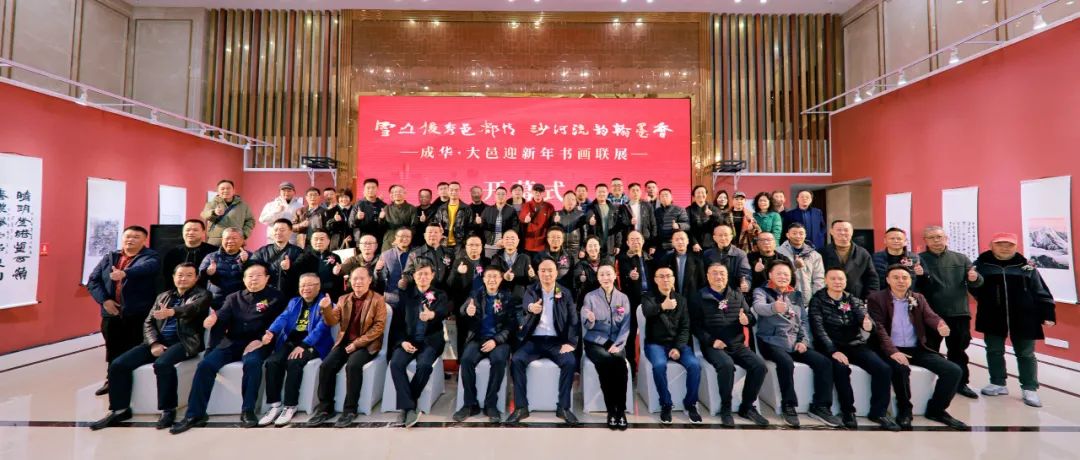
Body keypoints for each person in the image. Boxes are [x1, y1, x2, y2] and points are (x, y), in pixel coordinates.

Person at [90, 263, 210, 431]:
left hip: (185, 342)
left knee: (162, 364)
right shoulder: (163, 296)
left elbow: (192, 308)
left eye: (189, 275)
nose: (183, 278)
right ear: (173, 277)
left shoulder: (203, 295)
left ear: (196, 278)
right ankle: (120, 409)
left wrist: (172, 312)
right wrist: (154, 343)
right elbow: (148, 322)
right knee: (118, 364)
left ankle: (168, 410)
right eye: (180, 275)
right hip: (157, 341)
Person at [171, 262, 285, 434]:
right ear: (244, 279)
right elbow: (222, 316)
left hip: (258, 342)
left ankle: (248, 411)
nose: (253, 279)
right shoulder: (234, 297)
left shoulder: (276, 297)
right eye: (250, 276)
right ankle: (194, 414)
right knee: (205, 365)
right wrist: (213, 320)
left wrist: (264, 339)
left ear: (267, 278)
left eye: (258, 276)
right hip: (232, 342)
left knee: (252, 364)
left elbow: (280, 322)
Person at [867, 265, 967, 430]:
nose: (901, 281)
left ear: (910, 280)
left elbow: (930, 316)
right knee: (901, 369)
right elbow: (879, 329)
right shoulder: (876, 298)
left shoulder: (918, 298)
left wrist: (940, 324)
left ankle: (937, 410)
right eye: (896, 277)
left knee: (953, 370)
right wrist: (893, 352)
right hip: (889, 348)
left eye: (904, 278)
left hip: (916, 348)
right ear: (887, 280)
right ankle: (905, 410)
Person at [752, 260, 841, 428]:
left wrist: (803, 341)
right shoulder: (761, 291)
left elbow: (804, 321)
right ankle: (789, 405)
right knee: (786, 363)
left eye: (786, 274)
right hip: (770, 340)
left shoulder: (796, 295)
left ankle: (821, 406)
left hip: (794, 341)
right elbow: (758, 307)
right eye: (779, 273)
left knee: (824, 363)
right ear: (770, 275)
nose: (783, 277)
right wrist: (773, 307)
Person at [971, 232, 1056, 407]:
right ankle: (998, 383)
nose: (1005, 248)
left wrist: (1048, 314)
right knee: (994, 351)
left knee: (1026, 354)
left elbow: (1040, 291)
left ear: (1016, 247)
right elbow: (974, 289)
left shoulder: (1026, 267)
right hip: (992, 315)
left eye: (1009, 245)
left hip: (1025, 317)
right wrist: (983, 294)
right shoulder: (981, 266)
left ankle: (1029, 388)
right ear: (991, 245)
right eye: (1000, 244)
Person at [808, 267, 899, 431]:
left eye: (841, 279)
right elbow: (818, 329)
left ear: (846, 281)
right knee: (841, 369)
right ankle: (848, 411)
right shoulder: (818, 300)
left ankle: (879, 412)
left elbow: (866, 319)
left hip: (854, 344)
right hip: (830, 345)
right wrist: (833, 350)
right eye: (833, 279)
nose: (837, 282)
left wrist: (868, 325)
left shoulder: (852, 300)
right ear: (826, 281)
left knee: (883, 369)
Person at [689, 263, 769, 427]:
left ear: (727, 277)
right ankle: (726, 408)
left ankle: (747, 407)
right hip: (713, 346)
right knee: (726, 365)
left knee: (760, 366)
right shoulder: (699, 297)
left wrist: (747, 320)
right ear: (708, 276)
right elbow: (695, 326)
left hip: (736, 344)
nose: (719, 277)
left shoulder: (737, 295)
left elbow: (750, 318)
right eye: (715, 273)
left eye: (722, 273)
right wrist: (712, 341)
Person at [307, 266, 387, 427]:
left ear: (370, 280)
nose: (358, 282)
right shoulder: (344, 299)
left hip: (367, 344)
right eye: (355, 278)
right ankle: (325, 408)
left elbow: (378, 327)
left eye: (362, 278)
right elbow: (332, 321)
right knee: (326, 366)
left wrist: (357, 344)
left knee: (353, 366)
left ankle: (350, 409)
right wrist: (326, 308)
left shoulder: (378, 300)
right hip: (344, 342)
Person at [87, 225, 162, 396]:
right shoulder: (110, 257)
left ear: (144, 240)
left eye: (136, 237)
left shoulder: (150, 257)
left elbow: (147, 268)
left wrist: (125, 273)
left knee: (134, 348)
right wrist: (105, 301)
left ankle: (135, 384)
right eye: (128, 236)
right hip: (111, 313)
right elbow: (93, 281)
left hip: (137, 314)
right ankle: (112, 381)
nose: (131, 240)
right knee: (113, 349)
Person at [507, 259, 580, 425]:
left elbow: (573, 320)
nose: (547, 274)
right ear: (538, 273)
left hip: (556, 341)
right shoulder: (531, 290)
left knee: (569, 362)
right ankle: (521, 407)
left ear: (556, 272)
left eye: (550, 270)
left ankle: (564, 408)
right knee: (517, 360)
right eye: (543, 270)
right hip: (534, 340)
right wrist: (531, 308)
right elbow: (527, 304)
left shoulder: (565, 293)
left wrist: (571, 343)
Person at [257, 273, 334, 427]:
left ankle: (290, 405)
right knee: (272, 362)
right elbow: (283, 318)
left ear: (318, 286)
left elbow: (322, 328)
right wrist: (271, 332)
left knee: (294, 362)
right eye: (302, 285)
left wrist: (304, 345)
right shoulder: (294, 302)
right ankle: (275, 405)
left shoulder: (324, 303)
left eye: (310, 285)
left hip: (313, 344)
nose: (305, 288)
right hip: (291, 342)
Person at [918, 226, 983, 400]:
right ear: (925, 240)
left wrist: (975, 278)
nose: (936, 240)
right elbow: (915, 285)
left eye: (939, 237)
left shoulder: (961, 259)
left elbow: (977, 282)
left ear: (946, 238)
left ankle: (960, 383)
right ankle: (927, 383)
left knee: (958, 350)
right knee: (930, 350)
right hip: (930, 314)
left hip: (958, 313)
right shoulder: (919, 260)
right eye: (931, 237)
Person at [453, 265, 519, 423]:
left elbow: (511, 325)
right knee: (466, 360)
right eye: (489, 276)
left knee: (498, 361)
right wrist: (467, 311)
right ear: (483, 279)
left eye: (495, 276)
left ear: (501, 279)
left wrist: (495, 340)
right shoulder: (476, 294)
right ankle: (470, 404)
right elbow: (463, 309)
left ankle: (491, 404)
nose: (492, 280)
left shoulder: (508, 297)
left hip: (499, 341)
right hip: (478, 338)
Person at [390, 261, 449, 427]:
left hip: (430, 341)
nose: (423, 277)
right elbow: (397, 324)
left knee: (424, 366)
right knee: (396, 364)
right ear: (414, 276)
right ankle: (409, 407)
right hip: (409, 340)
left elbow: (444, 311)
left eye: (426, 274)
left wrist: (433, 315)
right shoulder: (405, 295)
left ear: (432, 276)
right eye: (419, 274)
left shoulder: (439, 295)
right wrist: (402, 342)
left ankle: (407, 405)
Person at [641, 267, 703, 424]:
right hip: (655, 344)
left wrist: (677, 347)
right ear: (655, 280)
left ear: (674, 279)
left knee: (695, 365)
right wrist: (663, 306)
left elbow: (685, 327)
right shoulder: (649, 297)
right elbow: (647, 311)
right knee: (659, 366)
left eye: (668, 276)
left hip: (677, 344)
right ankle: (666, 404)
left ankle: (690, 404)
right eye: (661, 276)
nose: (665, 279)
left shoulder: (681, 300)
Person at [581, 265, 632, 430]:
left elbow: (626, 325)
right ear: (598, 278)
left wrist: (618, 344)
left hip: (616, 342)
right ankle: (611, 410)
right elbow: (586, 322)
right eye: (601, 274)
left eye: (608, 274)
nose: (605, 277)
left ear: (615, 275)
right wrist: (589, 319)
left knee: (620, 364)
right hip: (595, 342)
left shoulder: (623, 298)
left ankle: (620, 411)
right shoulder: (590, 297)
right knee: (605, 363)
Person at [615, 230, 650, 371]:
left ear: (643, 241)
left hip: (650, 299)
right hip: (632, 299)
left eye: (638, 239)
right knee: (631, 332)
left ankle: (648, 363)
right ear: (627, 243)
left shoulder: (649, 258)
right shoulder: (623, 258)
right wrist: (630, 275)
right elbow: (624, 273)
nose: (636, 242)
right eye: (632, 240)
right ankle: (632, 366)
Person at [821, 220, 879, 299]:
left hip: (857, 298)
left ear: (852, 232)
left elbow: (872, 278)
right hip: (829, 298)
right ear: (831, 231)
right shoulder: (822, 253)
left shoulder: (862, 253)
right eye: (839, 230)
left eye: (846, 230)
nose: (842, 233)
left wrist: (871, 298)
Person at [198, 227, 250, 310]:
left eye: (234, 238)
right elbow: (199, 276)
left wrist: (245, 263)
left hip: (241, 302)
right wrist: (208, 272)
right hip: (216, 302)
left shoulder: (250, 256)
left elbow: (255, 276)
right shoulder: (211, 257)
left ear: (242, 240)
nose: (230, 241)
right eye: (227, 238)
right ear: (222, 240)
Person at [252, 219, 307, 298]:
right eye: (276, 230)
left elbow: (303, 275)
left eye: (282, 230)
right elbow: (251, 267)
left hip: (290, 296)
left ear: (290, 232)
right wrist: (244, 261)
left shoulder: (298, 252)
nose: (278, 232)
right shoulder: (262, 251)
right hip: (267, 295)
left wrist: (289, 269)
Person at [160, 219, 216, 289]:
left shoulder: (213, 252)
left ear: (203, 232)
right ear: (182, 232)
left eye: (195, 230)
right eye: (188, 230)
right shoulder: (173, 253)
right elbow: (167, 277)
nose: (191, 233)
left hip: (206, 291)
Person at [777, 223, 825, 302]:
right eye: (794, 233)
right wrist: (794, 266)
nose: (798, 236)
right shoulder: (778, 252)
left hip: (808, 298)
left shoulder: (815, 255)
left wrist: (817, 299)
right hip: (785, 299)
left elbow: (819, 279)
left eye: (801, 233)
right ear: (787, 235)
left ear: (805, 235)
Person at [201, 179, 255, 246]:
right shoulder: (211, 204)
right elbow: (204, 214)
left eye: (228, 188)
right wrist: (214, 212)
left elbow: (250, 221)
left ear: (233, 190)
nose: (226, 191)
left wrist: (244, 234)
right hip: (216, 240)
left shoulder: (243, 205)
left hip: (235, 239)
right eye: (222, 189)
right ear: (218, 191)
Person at [401, 224, 452, 291]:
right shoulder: (415, 253)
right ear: (424, 236)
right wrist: (405, 281)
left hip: (445, 292)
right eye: (430, 232)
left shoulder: (449, 253)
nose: (433, 235)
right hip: (423, 292)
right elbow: (408, 274)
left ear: (441, 236)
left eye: (436, 232)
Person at [703, 223, 752, 293]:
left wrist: (745, 283)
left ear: (731, 237)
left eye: (726, 235)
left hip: (733, 292)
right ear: (714, 238)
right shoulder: (707, 254)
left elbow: (745, 273)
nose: (723, 238)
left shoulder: (740, 254)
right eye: (720, 235)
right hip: (712, 291)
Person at [297, 229, 344, 300]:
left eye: (322, 239)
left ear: (328, 241)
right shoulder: (303, 257)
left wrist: (338, 273)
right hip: (311, 294)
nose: (319, 242)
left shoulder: (335, 257)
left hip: (331, 294)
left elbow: (340, 280)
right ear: (311, 241)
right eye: (316, 239)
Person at [655, 231, 704, 297]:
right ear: (672, 242)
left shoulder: (697, 259)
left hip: (693, 298)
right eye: (677, 239)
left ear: (687, 241)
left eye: (682, 239)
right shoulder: (666, 259)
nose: (680, 242)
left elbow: (702, 281)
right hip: (673, 298)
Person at [490, 230, 535, 299]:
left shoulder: (525, 257)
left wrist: (532, 276)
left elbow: (531, 282)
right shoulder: (496, 257)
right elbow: (492, 276)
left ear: (518, 241)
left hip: (520, 299)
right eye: (507, 239)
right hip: (500, 298)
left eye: (513, 239)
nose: (510, 241)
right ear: (502, 241)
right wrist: (504, 276)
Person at [432, 181, 475, 251]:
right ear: (448, 191)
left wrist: (466, 242)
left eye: (456, 190)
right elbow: (436, 224)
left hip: (460, 245)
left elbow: (471, 228)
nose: (454, 192)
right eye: (451, 190)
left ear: (460, 192)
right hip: (444, 243)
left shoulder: (466, 208)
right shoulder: (441, 208)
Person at [618, 182, 657, 256]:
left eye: (637, 190)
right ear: (629, 193)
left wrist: (653, 244)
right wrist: (629, 222)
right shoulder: (623, 207)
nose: (635, 193)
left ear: (641, 192)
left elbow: (653, 225)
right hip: (629, 242)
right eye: (633, 190)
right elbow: (620, 224)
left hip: (645, 241)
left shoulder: (647, 206)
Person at [480, 186, 520, 258]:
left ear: (506, 196)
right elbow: (483, 227)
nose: (500, 196)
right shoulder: (487, 210)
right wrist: (478, 222)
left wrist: (504, 240)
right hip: (490, 246)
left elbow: (515, 228)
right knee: (489, 264)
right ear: (495, 195)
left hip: (506, 246)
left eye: (503, 194)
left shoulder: (511, 210)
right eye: (498, 194)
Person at [378, 227, 413, 308]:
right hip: (392, 299)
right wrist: (378, 271)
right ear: (396, 238)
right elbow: (381, 279)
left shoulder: (416, 253)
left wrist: (408, 280)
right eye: (402, 236)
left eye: (408, 236)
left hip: (412, 298)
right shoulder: (386, 255)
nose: (405, 239)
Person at [572, 237, 613, 306]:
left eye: (595, 245)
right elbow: (576, 280)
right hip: (586, 302)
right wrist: (580, 278)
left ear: (599, 247)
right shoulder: (580, 264)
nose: (593, 248)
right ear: (586, 249)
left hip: (605, 301)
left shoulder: (607, 262)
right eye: (590, 246)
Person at [586, 183, 623, 257]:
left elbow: (618, 228)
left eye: (604, 192)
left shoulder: (613, 208)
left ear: (607, 193)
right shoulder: (590, 207)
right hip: (595, 247)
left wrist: (618, 244)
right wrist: (589, 220)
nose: (601, 194)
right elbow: (587, 217)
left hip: (610, 246)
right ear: (595, 193)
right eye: (599, 192)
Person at [350, 178, 387, 248]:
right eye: (368, 188)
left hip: (379, 241)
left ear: (377, 189)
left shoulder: (383, 205)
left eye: (373, 187)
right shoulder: (359, 204)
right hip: (362, 241)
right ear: (364, 189)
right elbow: (351, 224)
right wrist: (358, 218)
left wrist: (381, 219)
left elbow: (386, 226)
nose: (371, 190)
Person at [519, 183, 556, 254]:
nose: (538, 194)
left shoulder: (549, 206)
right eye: (536, 191)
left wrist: (556, 221)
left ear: (544, 193)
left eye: (540, 192)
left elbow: (551, 225)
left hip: (543, 244)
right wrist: (525, 220)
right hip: (528, 244)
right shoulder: (526, 205)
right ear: (532, 192)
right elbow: (521, 219)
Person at [381, 184, 418, 252]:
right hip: (389, 239)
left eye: (400, 191)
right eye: (395, 192)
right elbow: (382, 227)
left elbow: (414, 227)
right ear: (392, 194)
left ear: (405, 194)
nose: (397, 193)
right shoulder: (387, 208)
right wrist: (381, 219)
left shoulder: (411, 208)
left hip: (405, 240)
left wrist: (403, 238)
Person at [654, 188, 690, 257]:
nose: (664, 197)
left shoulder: (679, 209)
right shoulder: (657, 211)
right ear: (659, 199)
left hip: (673, 245)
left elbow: (687, 225)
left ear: (671, 197)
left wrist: (678, 225)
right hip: (659, 246)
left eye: (666, 195)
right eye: (662, 196)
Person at [687, 185, 722, 254]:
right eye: (698, 192)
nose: (701, 194)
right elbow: (687, 228)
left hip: (712, 245)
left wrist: (712, 214)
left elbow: (721, 223)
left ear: (706, 194)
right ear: (693, 195)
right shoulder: (688, 210)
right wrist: (694, 243)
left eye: (703, 192)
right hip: (694, 246)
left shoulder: (714, 209)